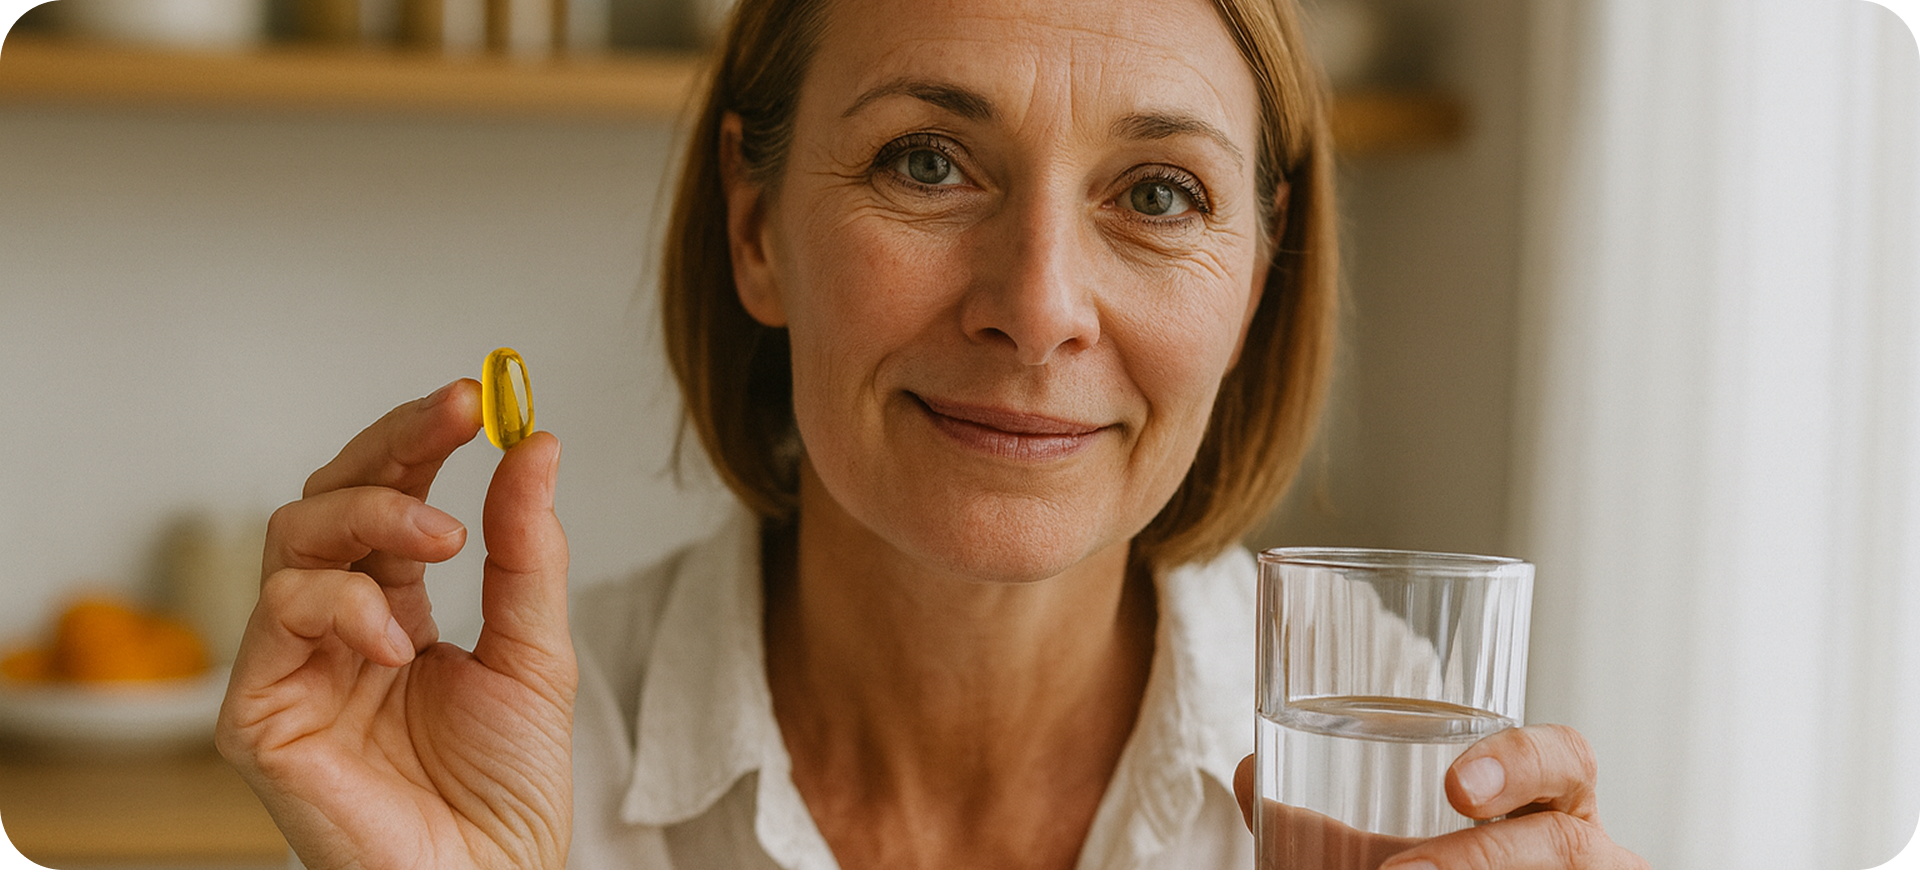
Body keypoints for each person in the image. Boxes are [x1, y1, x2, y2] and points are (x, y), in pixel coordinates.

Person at [215, 1, 1650, 868]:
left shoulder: (1383, 758)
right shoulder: (527, 772)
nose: (1037, 307)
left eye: (1157, 194)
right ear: (756, 223)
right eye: (926, 160)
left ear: (1259, 281)